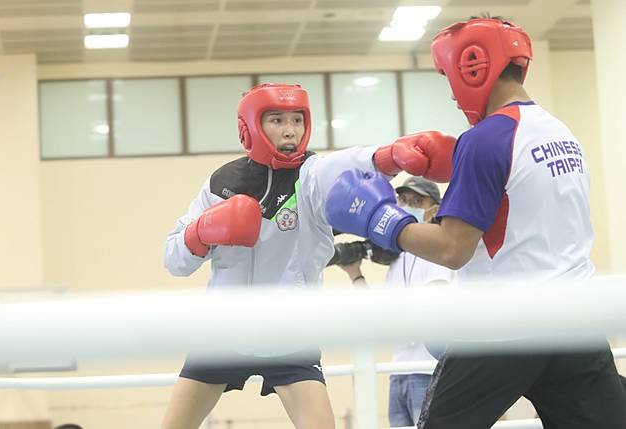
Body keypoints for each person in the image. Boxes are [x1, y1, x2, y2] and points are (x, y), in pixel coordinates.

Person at [325, 16, 626, 429]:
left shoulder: (486, 139)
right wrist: (459, 168)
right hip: (574, 321)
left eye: (449, 75)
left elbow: (453, 248)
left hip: (503, 325)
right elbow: (521, 200)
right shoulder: (560, 133)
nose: (451, 92)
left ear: (473, 66)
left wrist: (381, 220)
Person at [162, 83, 455, 429]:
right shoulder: (222, 183)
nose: (290, 130)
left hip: (290, 334)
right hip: (221, 332)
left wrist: (389, 156)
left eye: (297, 120)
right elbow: (174, 260)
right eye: (277, 120)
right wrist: (199, 233)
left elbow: (343, 165)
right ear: (250, 127)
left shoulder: (311, 176)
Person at [337, 176, 453, 427]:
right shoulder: (398, 258)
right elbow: (378, 315)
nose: (407, 206)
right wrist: (355, 275)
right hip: (398, 372)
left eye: (417, 201)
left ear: (434, 209)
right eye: (403, 200)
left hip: (427, 370)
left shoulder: (436, 254)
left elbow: (435, 304)